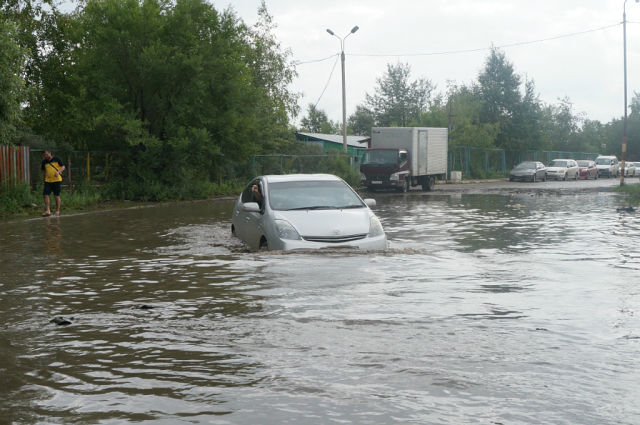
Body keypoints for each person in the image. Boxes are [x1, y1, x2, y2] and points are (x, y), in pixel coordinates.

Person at [41, 149, 66, 217]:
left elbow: (63, 167)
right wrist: (44, 179)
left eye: (46, 154)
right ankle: (48, 211)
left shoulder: (57, 159)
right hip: (47, 180)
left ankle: (57, 211)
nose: (45, 156)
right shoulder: (44, 162)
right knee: (45, 194)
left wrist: (58, 172)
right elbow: (44, 171)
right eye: (44, 155)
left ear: (50, 153)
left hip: (57, 180)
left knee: (56, 195)